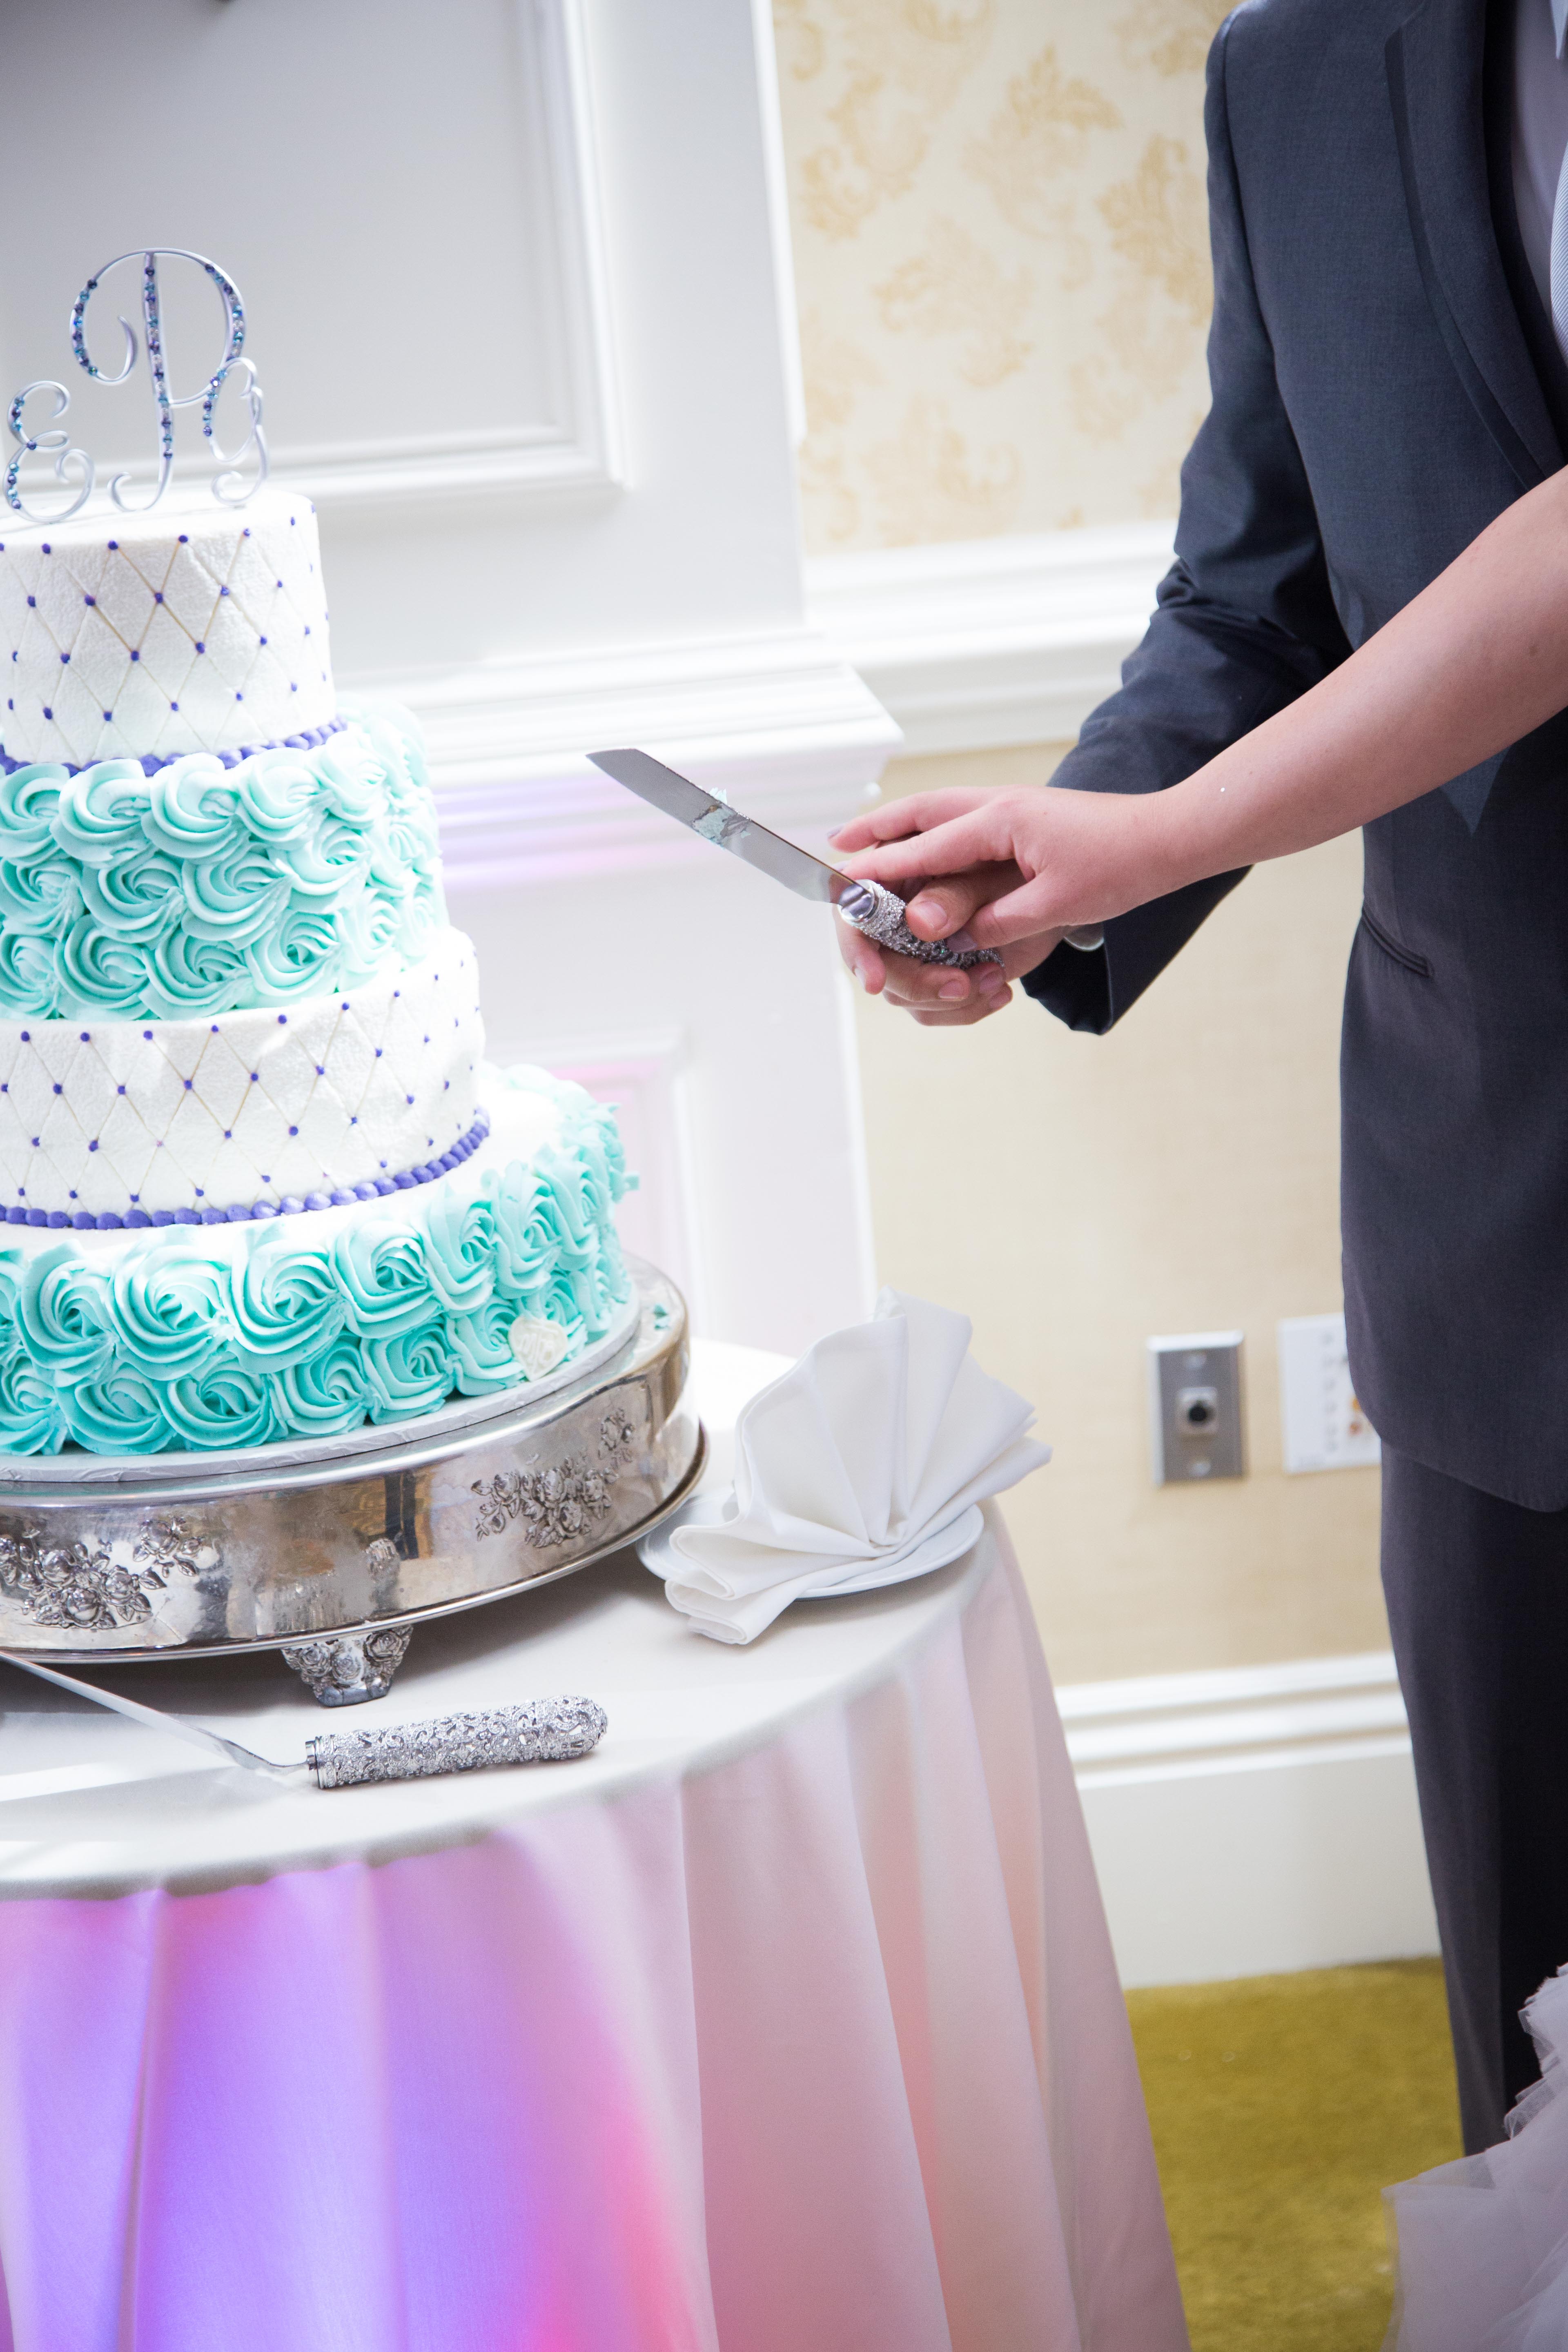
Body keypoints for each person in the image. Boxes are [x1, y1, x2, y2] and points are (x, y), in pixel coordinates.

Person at [832, 0, 1568, 2160]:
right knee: (1535, 2011)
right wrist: (1064, 871)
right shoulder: (1296, 74)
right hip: (1498, 1191)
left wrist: (1153, 840)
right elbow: (1261, 592)